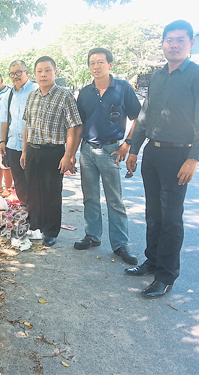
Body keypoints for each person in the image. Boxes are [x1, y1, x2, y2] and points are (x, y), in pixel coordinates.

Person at [126, 20, 199, 298]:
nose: (174, 45)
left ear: (190, 43)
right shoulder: (158, 76)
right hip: (152, 152)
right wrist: (133, 148)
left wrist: (193, 158)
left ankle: (166, 275)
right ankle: (152, 261)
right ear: (163, 44)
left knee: (171, 217)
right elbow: (145, 116)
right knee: (153, 213)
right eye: (169, 40)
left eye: (180, 40)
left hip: (179, 154)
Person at [74, 48, 141, 265]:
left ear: (110, 65)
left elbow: (140, 118)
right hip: (87, 150)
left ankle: (120, 244)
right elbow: (79, 124)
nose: (96, 66)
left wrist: (128, 144)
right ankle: (92, 235)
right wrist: (72, 153)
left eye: (100, 62)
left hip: (111, 151)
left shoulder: (122, 88)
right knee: (90, 197)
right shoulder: (84, 93)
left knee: (115, 200)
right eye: (92, 63)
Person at [20, 56, 83, 247]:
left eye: (47, 70)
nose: (43, 74)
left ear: (55, 72)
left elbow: (74, 126)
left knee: (51, 193)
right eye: (39, 71)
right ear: (35, 74)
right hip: (32, 149)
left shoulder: (64, 95)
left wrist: (68, 155)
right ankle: (35, 226)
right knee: (32, 191)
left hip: (53, 151)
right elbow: (27, 125)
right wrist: (24, 152)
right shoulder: (32, 95)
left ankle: (50, 231)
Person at [0, 60, 39, 208]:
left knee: (34, 181)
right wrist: (2, 142)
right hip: (13, 145)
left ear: (27, 73)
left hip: (32, 146)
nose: (15, 76)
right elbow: (4, 120)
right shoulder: (9, 95)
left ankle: (36, 213)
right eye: (12, 73)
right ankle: (25, 210)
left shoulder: (37, 90)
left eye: (18, 72)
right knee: (19, 181)